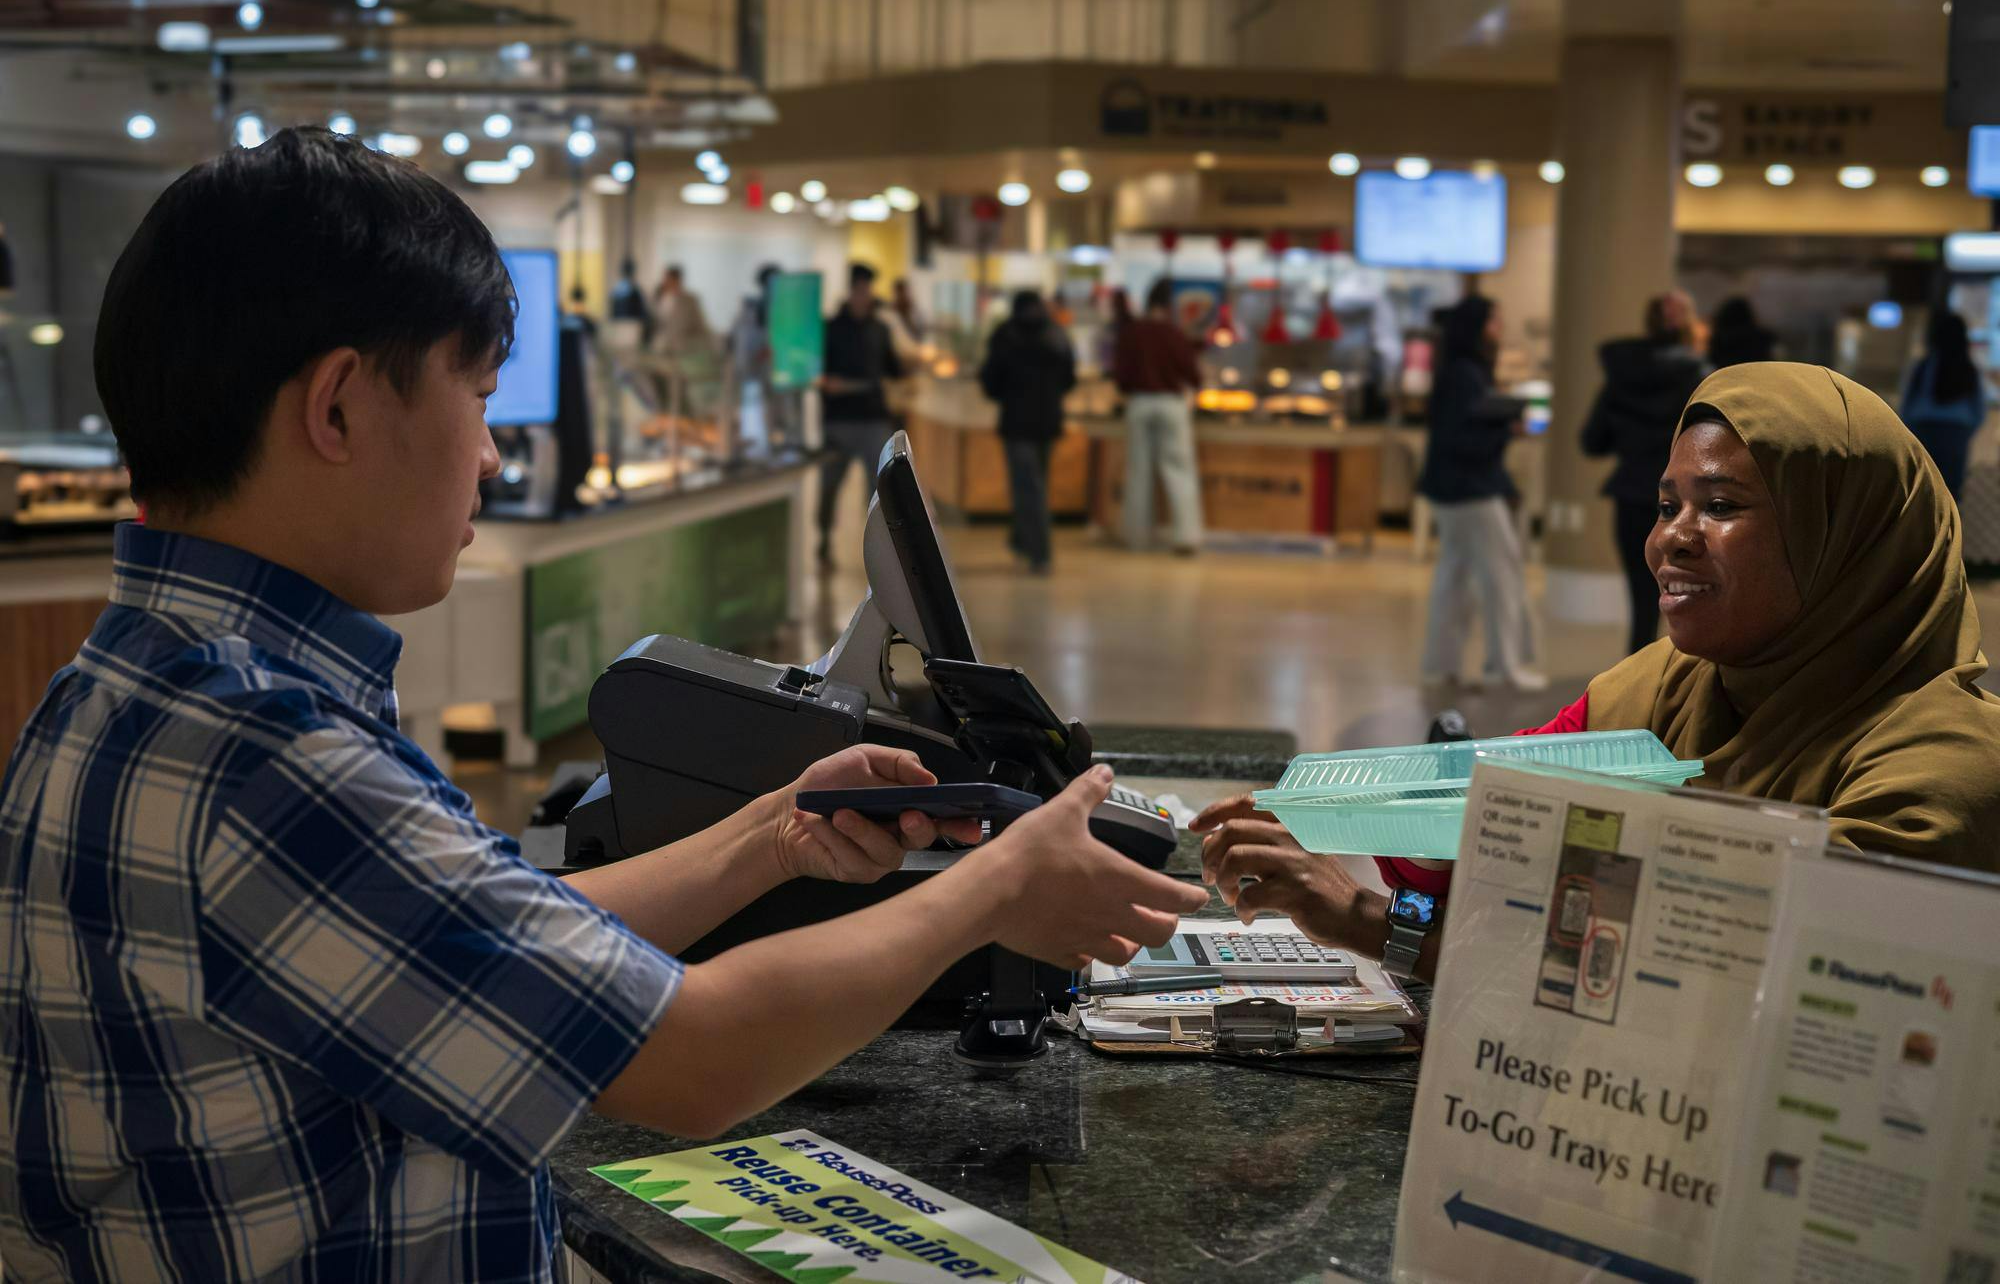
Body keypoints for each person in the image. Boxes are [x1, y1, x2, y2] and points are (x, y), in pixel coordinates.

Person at [0, 129, 1207, 1281]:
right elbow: (692, 1059)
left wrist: (772, 836)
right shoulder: (272, 758)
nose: (489, 457)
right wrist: (989, 890)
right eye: (477, 398)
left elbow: (496, 940)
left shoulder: (128, 689)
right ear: (338, 409)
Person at [1194, 363, 2000, 985]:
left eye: (1721, 506)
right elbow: (1488, 823)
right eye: (1668, 505)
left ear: (1849, 540)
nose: (1670, 539)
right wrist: (1344, 815)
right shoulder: (1667, 686)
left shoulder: (1941, 777)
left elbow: (1689, 987)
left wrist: (1366, 918)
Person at [1416, 295, 1543, 692]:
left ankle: (1441, 667)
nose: (1499, 329)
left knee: (1453, 579)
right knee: (1500, 577)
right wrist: (1506, 430)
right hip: (1471, 490)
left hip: (1450, 489)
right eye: (1493, 322)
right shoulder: (1467, 375)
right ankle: (1504, 667)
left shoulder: (1455, 370)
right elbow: (1464, 438)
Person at [1583, 290, 1710, 656]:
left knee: (1642, 596)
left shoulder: (1620, 375)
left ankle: (1638, 677)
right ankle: (1685, 677)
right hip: (1682, 500)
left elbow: (1593, 441)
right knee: (1691, 593)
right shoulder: (1697, 375)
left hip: (1632, 492)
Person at [816, 262, 909, 567]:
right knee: (830, 485)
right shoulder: (830, 328)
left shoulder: (880, 330)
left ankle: (880, 550)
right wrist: (827, 384)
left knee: (877, 491)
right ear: (851, 292)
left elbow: (894, 369)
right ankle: (824, 541)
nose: (863, 296)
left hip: (873, 418)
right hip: (839, 420)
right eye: (858, 290)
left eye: (866, 290)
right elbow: (817, 372)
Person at [979, 290, 1077, 573]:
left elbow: (991, 380)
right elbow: (1069, 378)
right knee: (1035, 484)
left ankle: (1039, 551)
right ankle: (1024, 541)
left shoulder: (1006, 335)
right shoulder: (1056, 334)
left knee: (1027, 486)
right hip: (1048, 420)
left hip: (1017, 421)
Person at [1113, 279, 1204, 554]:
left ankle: (1136, 536)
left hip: (1139, 402)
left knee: (1138, 471)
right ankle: (1186, 537)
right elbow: (1193, 375)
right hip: (1171, 403)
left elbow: (1120, 375)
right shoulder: (1174, 333)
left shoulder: (1132, 332)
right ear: (1169, 305)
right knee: (1178, 469)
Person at [1900, 310, 1989, 498]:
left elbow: (1907, 401)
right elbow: (1979, 408)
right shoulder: (1968, 368)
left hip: (1924, 427)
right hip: (1956, 430)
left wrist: (1909, 428)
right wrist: (1965, 432)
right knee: (1950, 490)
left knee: (1922, 487)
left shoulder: (1924, 365)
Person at [651, 262, 711, 356]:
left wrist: (699, 347)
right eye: (664, 279)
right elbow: (657, 323)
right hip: (660, 348)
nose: (665, 282)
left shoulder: (690, 301)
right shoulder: (660, 298)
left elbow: (701, 327)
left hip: (682, 350)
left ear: (677, 280)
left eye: (668, 279)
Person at [1705, 295, 1777, 371]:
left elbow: (1713, 361)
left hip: (1728, 376)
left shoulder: (1720, 340)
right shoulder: (1764, 337)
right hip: (1759, 374)